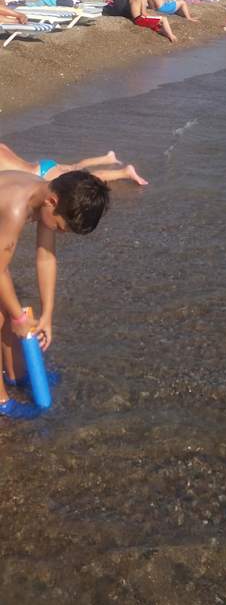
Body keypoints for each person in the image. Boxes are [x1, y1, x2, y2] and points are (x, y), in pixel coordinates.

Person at [0, 169, 109, 418]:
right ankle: (1, 401)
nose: (60, 233)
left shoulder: (48, 194)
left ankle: (16, 375)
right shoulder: (17, 208)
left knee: (7, 307)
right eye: (61, 227)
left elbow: (46, 257)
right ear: (53, 202)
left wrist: (47, 313)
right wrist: (18, 317)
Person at [0, 143, 148, 187]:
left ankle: (124, 172)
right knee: (75, 167)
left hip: (41, 174)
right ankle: (107, 158)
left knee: (86, 179)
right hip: (41, 165)